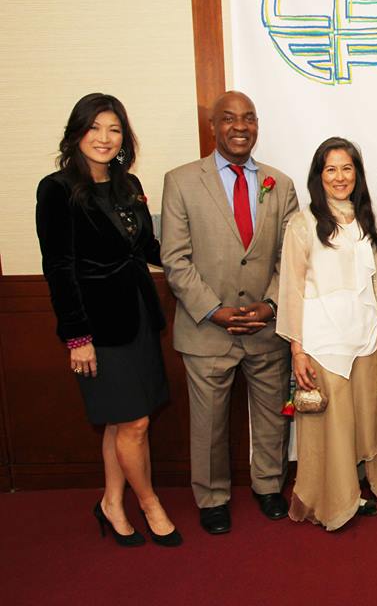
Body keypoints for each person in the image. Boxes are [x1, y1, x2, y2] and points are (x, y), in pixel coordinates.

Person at [36, 93, 181, 547]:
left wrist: (193, 259)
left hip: (138, 315)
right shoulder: (57, 189)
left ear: (124, 138)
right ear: (76, 133)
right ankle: (150, 503)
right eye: (94, 128)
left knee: (122, 422)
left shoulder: (126, 183)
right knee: (134, 424)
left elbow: (146, 247)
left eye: (113, 129)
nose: (104, 138)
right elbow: (58, 269)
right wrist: (76, 336)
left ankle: (112, 502)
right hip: (96, 328)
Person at [161, 91, 299, 535]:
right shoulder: (181, 181)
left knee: (272, 416)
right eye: (229, 118)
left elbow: (291, 257)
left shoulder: (281, 183)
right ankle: (212, 497)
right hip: (207, 330)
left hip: (265, 327)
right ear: (213, 126)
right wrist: (213, 310)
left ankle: (269, 486)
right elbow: (175, 259)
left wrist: (272, 304)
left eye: (249, 118)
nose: (240, 126)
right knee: (208, 424)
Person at [276, 137, 377, 530]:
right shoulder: (303, 224)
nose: (339, 177)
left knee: (359, 423)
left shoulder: (365, 220)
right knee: (330, 431)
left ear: (357, 174)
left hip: (365, 339)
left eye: (347, 168)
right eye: (330, 169)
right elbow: (291, 290)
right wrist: (298, 351)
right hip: (324, 344)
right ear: (318, 176)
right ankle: (332, 503)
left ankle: (355, 491)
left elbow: (375, 285)